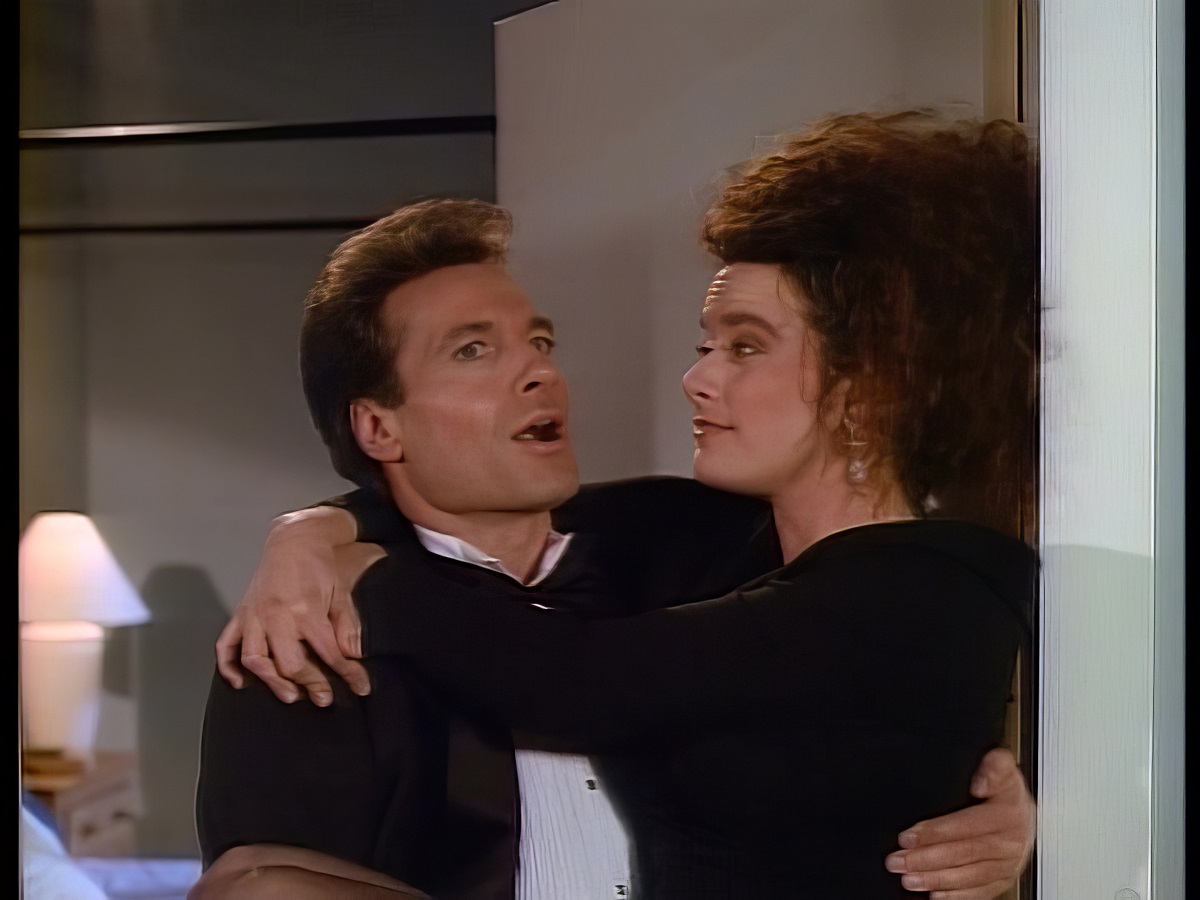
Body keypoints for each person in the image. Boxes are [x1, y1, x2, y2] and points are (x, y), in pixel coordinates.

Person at [208, 108, 1039, 897]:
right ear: (378, 427)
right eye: (472, 351)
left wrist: (1015, 803)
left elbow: (582, 680)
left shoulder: (726, 556)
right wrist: (308, 532)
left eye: (539, 341)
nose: (539, 371)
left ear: (869, 388)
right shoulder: (303, 627)